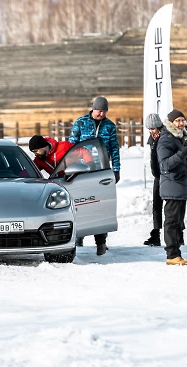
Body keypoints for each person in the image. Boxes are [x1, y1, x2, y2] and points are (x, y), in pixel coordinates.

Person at [69, 96, 120, 255]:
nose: (102, 114)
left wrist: (116, 169)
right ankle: (79, 237)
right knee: (81, 203)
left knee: (101, 205)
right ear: (94, 109)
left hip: (101, 170)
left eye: (104, 111)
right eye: (99, 111)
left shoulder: (110, 126)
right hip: (82, 170)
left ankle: (101, 241)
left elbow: (114, 148)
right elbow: (71, 146)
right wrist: (70, 168)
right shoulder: (80, 123)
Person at [157, 109, 187, 265]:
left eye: (182, 120)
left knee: (179, 222)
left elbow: (184, 166)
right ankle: (172, 255)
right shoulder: (166, 139)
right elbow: (165, 164)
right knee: (172, 222)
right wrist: (183, 152)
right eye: (177, 121)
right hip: (171, 186)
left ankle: (176, 253)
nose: (181, 123)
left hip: (180, 185)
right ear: (171, 123)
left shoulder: (180, 137)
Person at [143, 113, 164, 247]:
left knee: (171, 207)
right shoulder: (152, 139)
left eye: (153, 128)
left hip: (167, 176)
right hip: (157, 176)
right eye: (149, 129)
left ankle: (178, 234)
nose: (151, 131)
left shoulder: (165, 137)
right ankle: (156, 233)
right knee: (156, 204)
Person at [27, 135, 93, 176]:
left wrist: (90, 164)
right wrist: (21, 175)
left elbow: (84, 152)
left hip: (76, 177)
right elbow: (30, 170)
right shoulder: (39, 160)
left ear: (43, 146)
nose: (35, 154)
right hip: (58, 183)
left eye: (36, 151)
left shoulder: (64, 146)